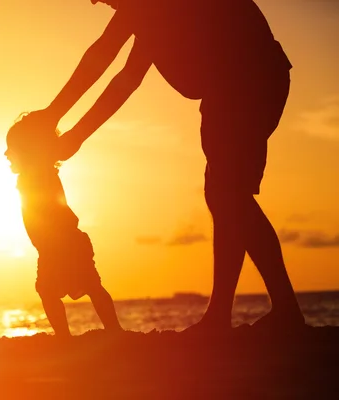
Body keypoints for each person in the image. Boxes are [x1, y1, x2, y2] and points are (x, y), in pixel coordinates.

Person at [32, 0, 305, 331]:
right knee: (224, 198)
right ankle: (228, 314)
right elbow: (118, 69)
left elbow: (111, 60)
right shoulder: (144, 14)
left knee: (228, 195)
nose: (102, 3)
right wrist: (62, 123)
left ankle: (272, 311)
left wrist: (62, 122)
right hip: (228, 90)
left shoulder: (151, 5)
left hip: (247, 80)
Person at [5, 112, 123, 336]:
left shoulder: (36, 175)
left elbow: (47, 209)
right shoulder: (32, 176)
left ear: (29, 151)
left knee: (80, 287)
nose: (6, 153)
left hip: (62, 244)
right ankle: (96, 332)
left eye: (12, 148)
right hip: (53, 246)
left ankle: (91, 333)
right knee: (73, 287)